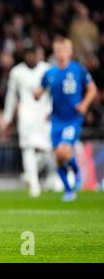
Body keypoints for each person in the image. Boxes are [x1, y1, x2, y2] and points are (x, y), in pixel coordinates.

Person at [34, 37, 97, 202]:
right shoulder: (50, 73)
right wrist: (37, 94)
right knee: (58, 158)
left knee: (63, 151)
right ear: (54, 52)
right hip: (56, 119)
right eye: (58, 50)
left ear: (70, 52)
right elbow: (40, 90)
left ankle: (76, 172)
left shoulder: (78, 70)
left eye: (64, 50)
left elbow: (92, 89)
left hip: (72, 119)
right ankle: (69, 191)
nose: (61, 53)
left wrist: (84, 104)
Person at [2, 47, 55, 198]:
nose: (32, 57)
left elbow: (54, 92)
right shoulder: (17, 72)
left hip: (44, 114)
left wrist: (52, 110)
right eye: (29, 54)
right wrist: (7, 118)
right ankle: (34, 185)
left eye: (34, 54)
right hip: (26, 115)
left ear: (38, 54)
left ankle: (33, 176)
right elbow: (11, 96)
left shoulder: (47, 69)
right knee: (28, 149)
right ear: (25, 55)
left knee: (48, 151)